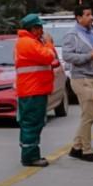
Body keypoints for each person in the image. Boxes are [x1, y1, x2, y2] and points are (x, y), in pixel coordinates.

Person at [62, 6, 93, 163]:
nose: (91, 18)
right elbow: (67, 56)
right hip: (81, 78)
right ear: (78, 18)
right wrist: (88, 56)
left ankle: (76, 147)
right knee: (88, 115)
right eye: (87, 15)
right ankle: (87, 150)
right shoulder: (72, 35)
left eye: (91, 14)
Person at [14, 14, 60, 167]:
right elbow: (48, 57)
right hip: (32, 90)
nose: (42, 31)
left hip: (33, 89)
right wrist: (49, 44)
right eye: (40, 28)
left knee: (32, 123)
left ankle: (30, 153)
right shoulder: (28, 43)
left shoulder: (30, 42)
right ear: (33, 29)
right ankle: (30, 156)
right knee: (32, 123)